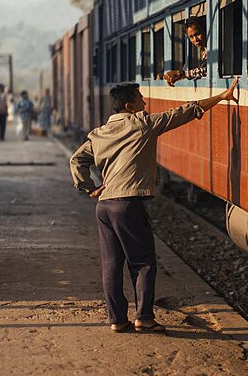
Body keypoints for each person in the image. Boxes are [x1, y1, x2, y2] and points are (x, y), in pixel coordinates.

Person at [70, 78, 239, 333]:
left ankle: (117, 319)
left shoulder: (99, 134)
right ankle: (144, 318)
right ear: (129, 106)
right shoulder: (142, 125)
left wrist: (88, 187)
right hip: (128, 205)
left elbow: (76, 160)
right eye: (140, 99)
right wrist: (221, 97)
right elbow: (184, 112)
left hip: (104, 207)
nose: (145, 102)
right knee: (143, 262)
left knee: (112, 265)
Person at [164, 17, 208, 87]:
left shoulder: (209, 49)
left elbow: (207, 69)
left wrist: (182, 74)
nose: (195, 39)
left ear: (205, 30)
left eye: (197, 34)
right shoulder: (203, 50)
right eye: (191, 37)